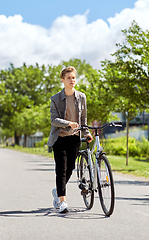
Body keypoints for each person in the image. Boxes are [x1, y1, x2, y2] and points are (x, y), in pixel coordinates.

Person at [47, 66, 93, 213]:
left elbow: (83, 118)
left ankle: (57, 190)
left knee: (71, 168)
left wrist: (86, 133)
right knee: (61, 169)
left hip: (74, 137)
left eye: (73, 77)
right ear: (63, 80)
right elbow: (54, 120)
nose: (72, 80)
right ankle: (62, 201)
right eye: (69, 78)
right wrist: (68, 123)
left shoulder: (81, 97)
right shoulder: (55, 99)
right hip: (59, 138)